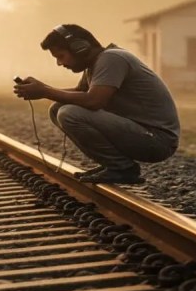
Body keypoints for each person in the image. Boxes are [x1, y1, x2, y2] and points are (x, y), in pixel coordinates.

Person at [13, 24, 179, 184]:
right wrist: (42, 89)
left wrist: (45, 91)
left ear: (80, 48)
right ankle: (114, 165)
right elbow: (80, 92)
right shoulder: (96, 63)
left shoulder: (112, 59)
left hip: (157, 141)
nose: (60, 63)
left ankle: (122, 168)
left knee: (69, 113)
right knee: (57, 108)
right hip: (141, 134)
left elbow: (94, 100)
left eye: (61, 56)